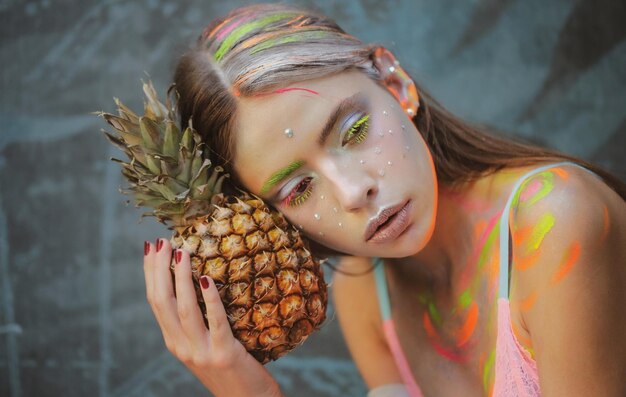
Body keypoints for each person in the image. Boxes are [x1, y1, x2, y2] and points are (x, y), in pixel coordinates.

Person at [141, 3, 626, 396]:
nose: (354, 192)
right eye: (299, 189)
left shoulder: (558, 222)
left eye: (354, 130)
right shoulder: (365, 293)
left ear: (395, 83)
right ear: (267, 217)